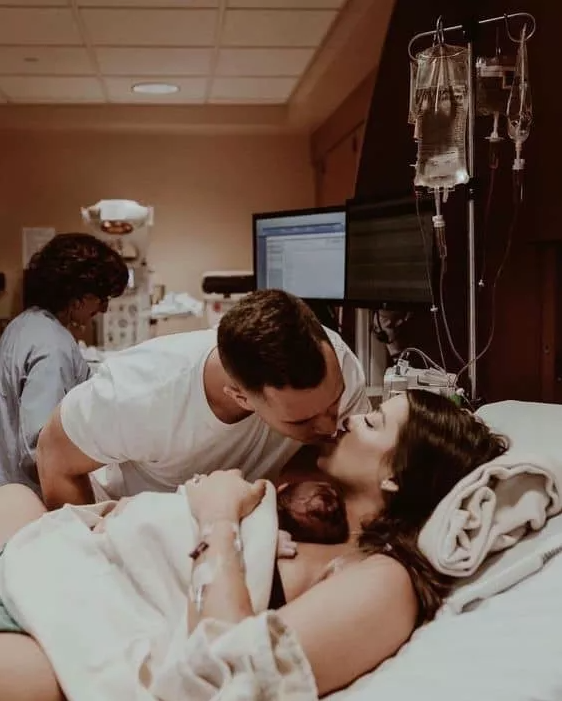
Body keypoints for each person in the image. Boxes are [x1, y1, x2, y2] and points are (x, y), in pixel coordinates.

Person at [0, 390, 508, 700]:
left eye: (373, 423)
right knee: (14, 497)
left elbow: (226, 671)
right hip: (64, 566)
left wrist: (217, 516)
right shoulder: (318, 516)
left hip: (68, 625)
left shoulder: (385, 581)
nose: (351, 419)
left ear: (397, 477)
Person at [36, 289, 370, 510]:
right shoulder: (142, 392)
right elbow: (54, 453)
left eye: (334, 403)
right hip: (136, 517)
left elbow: (344, 462)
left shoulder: (337, 362)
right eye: (302, 420)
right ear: (240, 396)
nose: (330, 425)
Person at [0, 233, 128, 495]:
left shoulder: (23, 325)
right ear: (77, 294)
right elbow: (41, 449)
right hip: (30, 497)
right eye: (101, 298)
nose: (103, 310)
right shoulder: (52, 347)